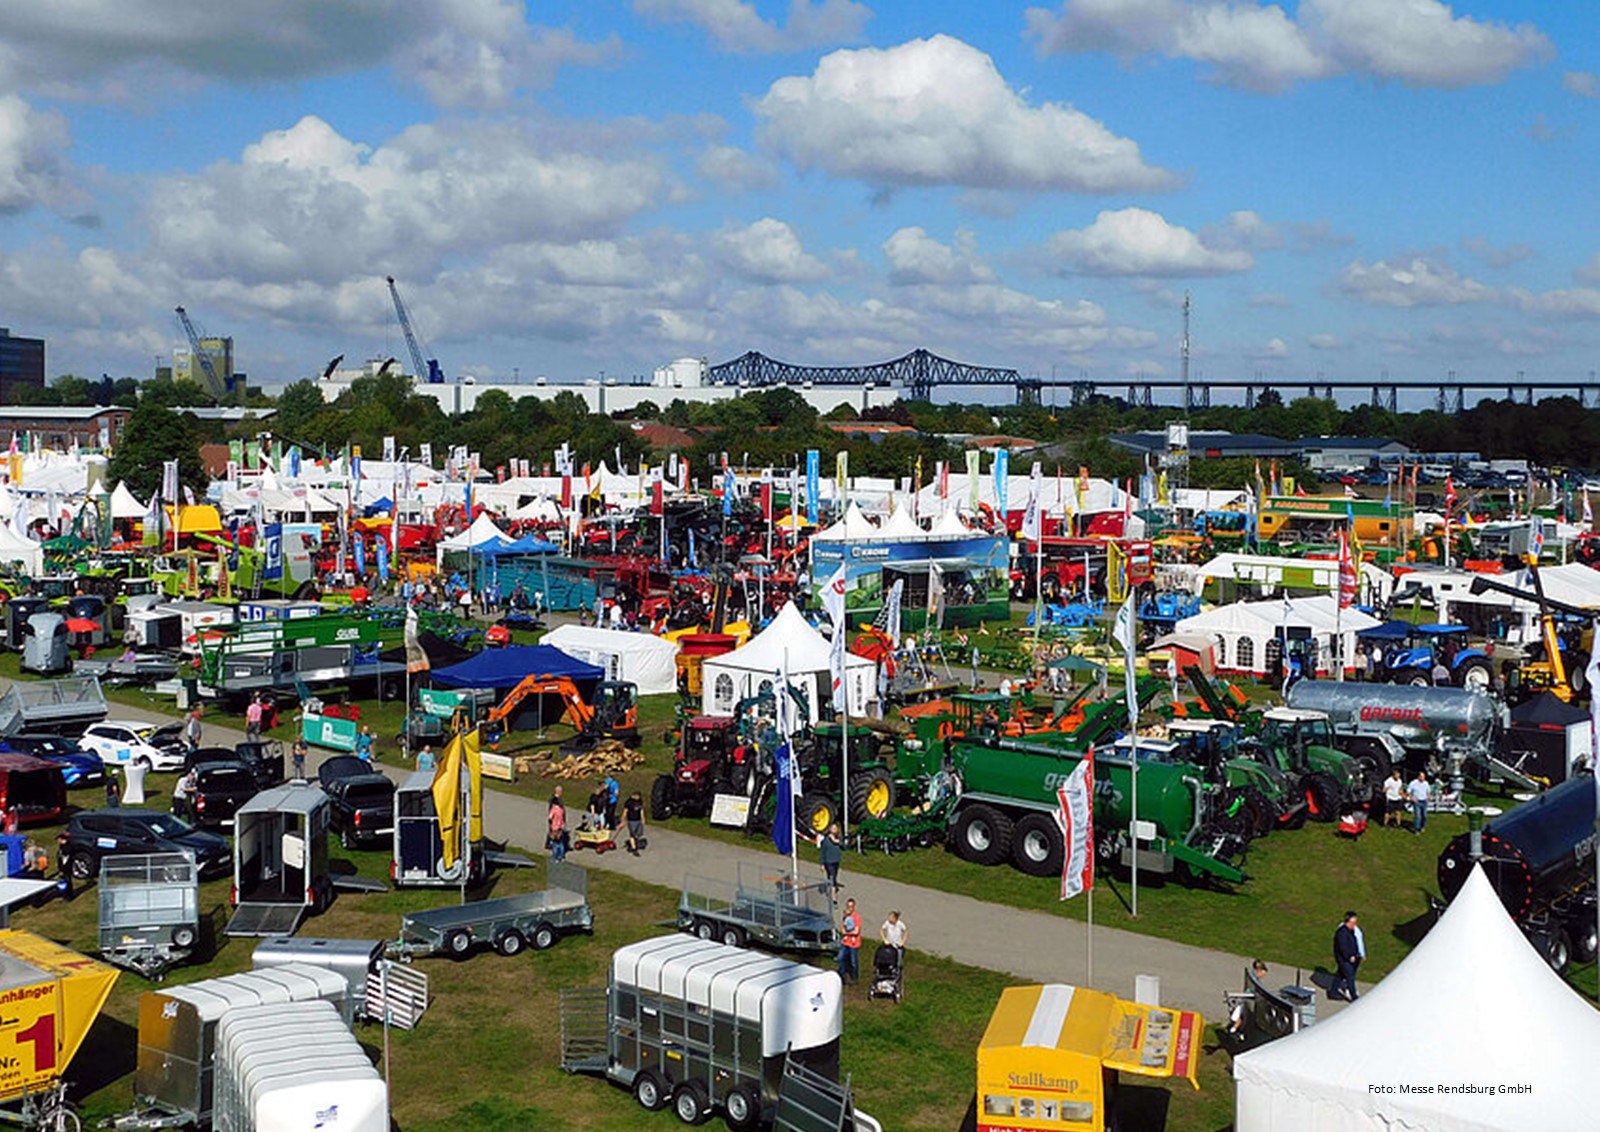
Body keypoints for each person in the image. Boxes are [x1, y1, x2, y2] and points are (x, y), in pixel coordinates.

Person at [1331, 911, 1362, 1001]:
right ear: (1348, 922)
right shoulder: (1342, 933)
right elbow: (1342, 947)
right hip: (1345, 959)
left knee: (1340, 975)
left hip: (1351, 958)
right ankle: (1354, 997)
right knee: (1350, 976)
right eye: (1354, 922)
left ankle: (1333, 991)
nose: (1355, 925)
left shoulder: (1350, 931)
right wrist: (1349, 956)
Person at [838, 897, 862, 985]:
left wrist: (847, 933)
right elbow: (843, 929)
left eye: (851, 906)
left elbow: (856, 932)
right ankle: (842, 975)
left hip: (854, 944)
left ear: (854, 907)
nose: (849, 908)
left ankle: (855, 977)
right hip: (845, 942)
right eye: (848, 906)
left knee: (853, 962)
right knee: (840, 958)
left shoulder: (857, 917)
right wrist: (847, 933)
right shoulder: (845, 916)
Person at [816, 823, 844, 891]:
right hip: (829, 862)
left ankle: (831, 888)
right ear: (830, 829)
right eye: (833, 828)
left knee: (833, 876)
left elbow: (845, 847)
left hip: (836, 861)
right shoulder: (826, 840)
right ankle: (833, 894)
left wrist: (839, 842)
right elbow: (823, 852)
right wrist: (822, 864)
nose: (834, 830)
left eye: (835, 828)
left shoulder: (838, 839)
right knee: (832, 876)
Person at [548, 786, 568, 862]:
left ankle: (556, 857)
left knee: (555, 843)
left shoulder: (554, 809)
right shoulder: (561, 810)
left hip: (555, 826)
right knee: (561, 842)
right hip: (561, 826)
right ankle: (562, 856)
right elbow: (563, 817)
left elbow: (550, 817)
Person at [624, 790, 645, 855]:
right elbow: (625, 811)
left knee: (639, 833)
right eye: (637, 796)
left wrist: (643, 818)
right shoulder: (629, 802)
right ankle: (633, 848)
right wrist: (623, 820)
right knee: (632, 834)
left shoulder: (640, 801)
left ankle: (634, 843)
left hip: (638, 820)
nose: (638, 798)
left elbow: (641, 810)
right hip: (631, 820)